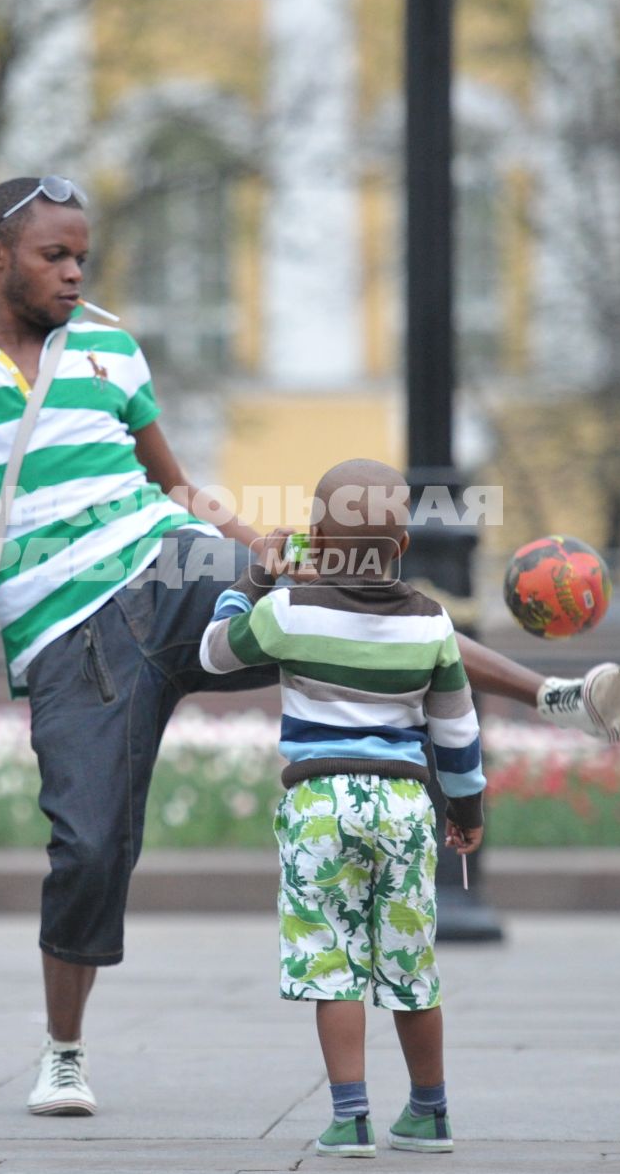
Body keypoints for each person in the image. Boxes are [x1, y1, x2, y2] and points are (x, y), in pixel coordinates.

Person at [0, 176, 620, 1116]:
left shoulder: (109, 344)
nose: (75, 272)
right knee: (90, 847)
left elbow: (169, 480)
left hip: (175, 568)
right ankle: (64, 1050)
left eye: (83, 254)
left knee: (364, 605)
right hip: (71, 634)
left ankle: (554, 697)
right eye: (55, 255)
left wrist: (253, 544)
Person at [199, 459, 483, 1158]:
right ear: (405, 547)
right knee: (410, 960)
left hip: (320, 804)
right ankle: (429, 1111)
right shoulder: (433, 623)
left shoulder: (288, 611)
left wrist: (258, 574)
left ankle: (350, 1117)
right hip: (405, 803)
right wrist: (467, 809)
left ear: (317, 539)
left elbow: (212, 653)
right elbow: (456, 729)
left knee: (333, 958)